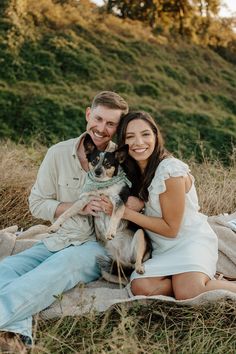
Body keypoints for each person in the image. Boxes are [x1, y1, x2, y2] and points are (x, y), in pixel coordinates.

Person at [0, 92, 142, 352]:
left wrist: (115, 207)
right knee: (6, 269)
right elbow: (37, 203)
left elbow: (139, 200)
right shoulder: (57, 153)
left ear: (118, 127)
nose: (102, 128)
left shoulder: (122, 160)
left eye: (111, 124)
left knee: (50, 273)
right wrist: (77, 207)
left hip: (97, 244)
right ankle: (13, 334)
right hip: (59, 237)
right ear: (88, 114)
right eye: (98, 119)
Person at [111, 110, 236, 299]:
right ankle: (202, 280)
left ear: (155, 135)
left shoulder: (170, 171)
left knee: (189, 292)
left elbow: (172, 229)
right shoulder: (133, 171)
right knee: (141, 286)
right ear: (123, 142)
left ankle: (201, 282)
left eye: (145, 134)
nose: (139, 142)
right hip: (162, 249)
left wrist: (125, 213)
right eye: (130, 137)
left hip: (189, 241)